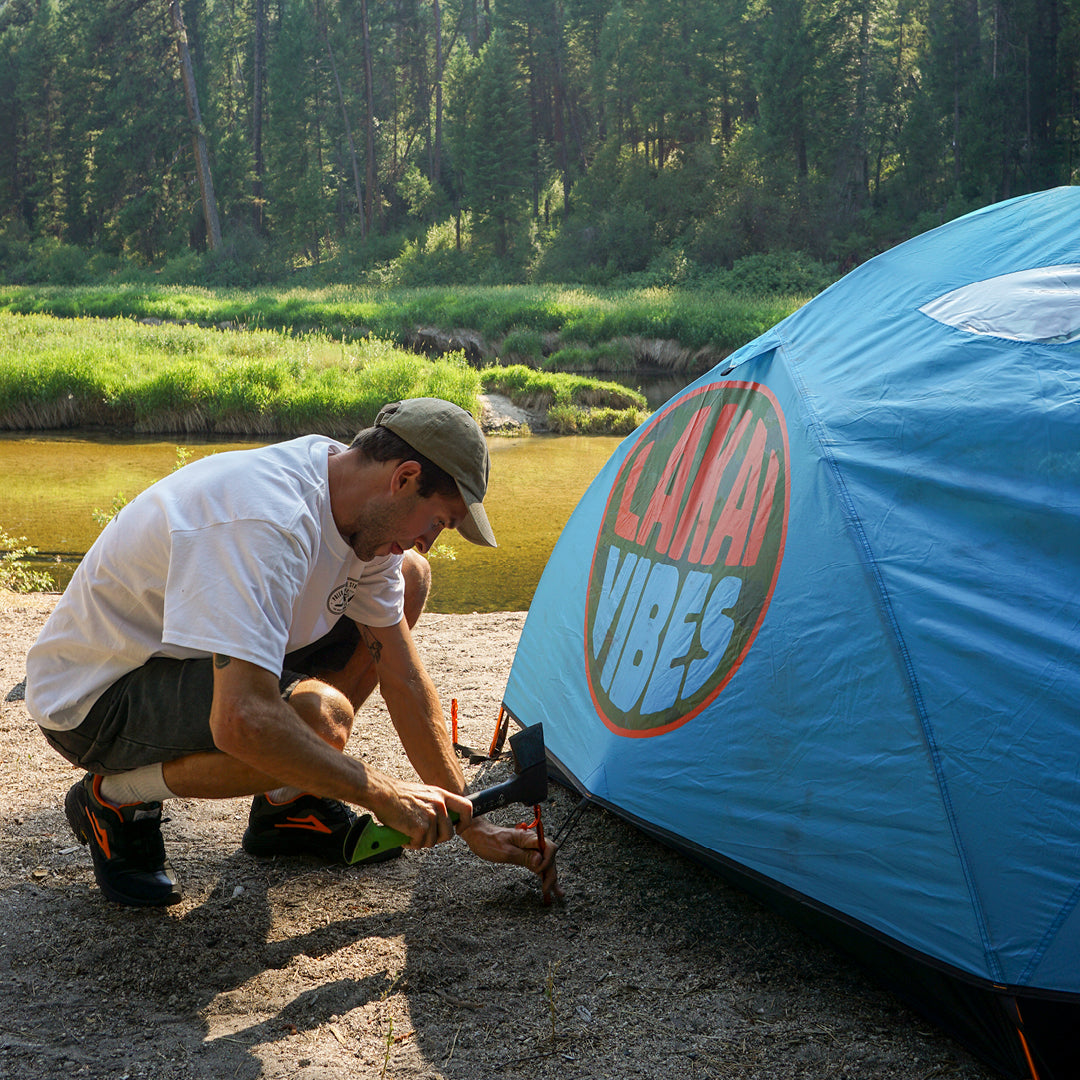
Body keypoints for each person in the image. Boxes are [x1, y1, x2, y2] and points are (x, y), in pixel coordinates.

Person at [25, 397, 560, 908]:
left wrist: (470, 820)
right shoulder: (270, 522)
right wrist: (381, 793)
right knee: (318, 723)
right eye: (438, 523)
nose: (428, 541)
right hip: (97, 699)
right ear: (404, 478)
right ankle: (114, 797)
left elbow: (403, 675)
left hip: (180, 657)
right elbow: (241, 720)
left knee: (410, 579)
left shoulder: (356, 500)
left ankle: (288, 801)